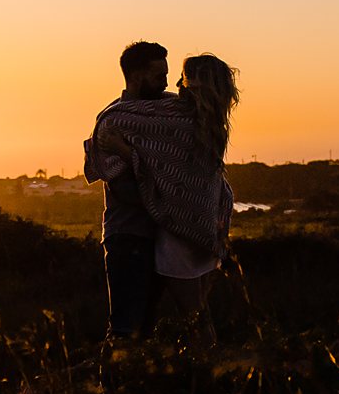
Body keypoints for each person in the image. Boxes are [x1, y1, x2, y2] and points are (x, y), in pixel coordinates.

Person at [90, 53, 239, 343]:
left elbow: (159, 169)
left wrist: (123, 150)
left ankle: (199, 376)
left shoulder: (173, 120)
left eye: (181, 77)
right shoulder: (208, 122)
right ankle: (202, 374)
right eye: (163, 76)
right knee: (191, 318)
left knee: (165, 322)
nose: (173, 83)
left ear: (193, 83)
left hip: (176, 236)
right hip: (202, 231)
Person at [83, 41, 168, 338]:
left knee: (147, 329)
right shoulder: (113, 121)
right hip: (128, 237)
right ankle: (113, 383)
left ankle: (138, 383)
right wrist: (163, 198)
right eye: (159, 76)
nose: (165, 84)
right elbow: (124, 190)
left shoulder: (166, 115)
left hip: (160, 238)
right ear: (135, 75)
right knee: (124, 327)